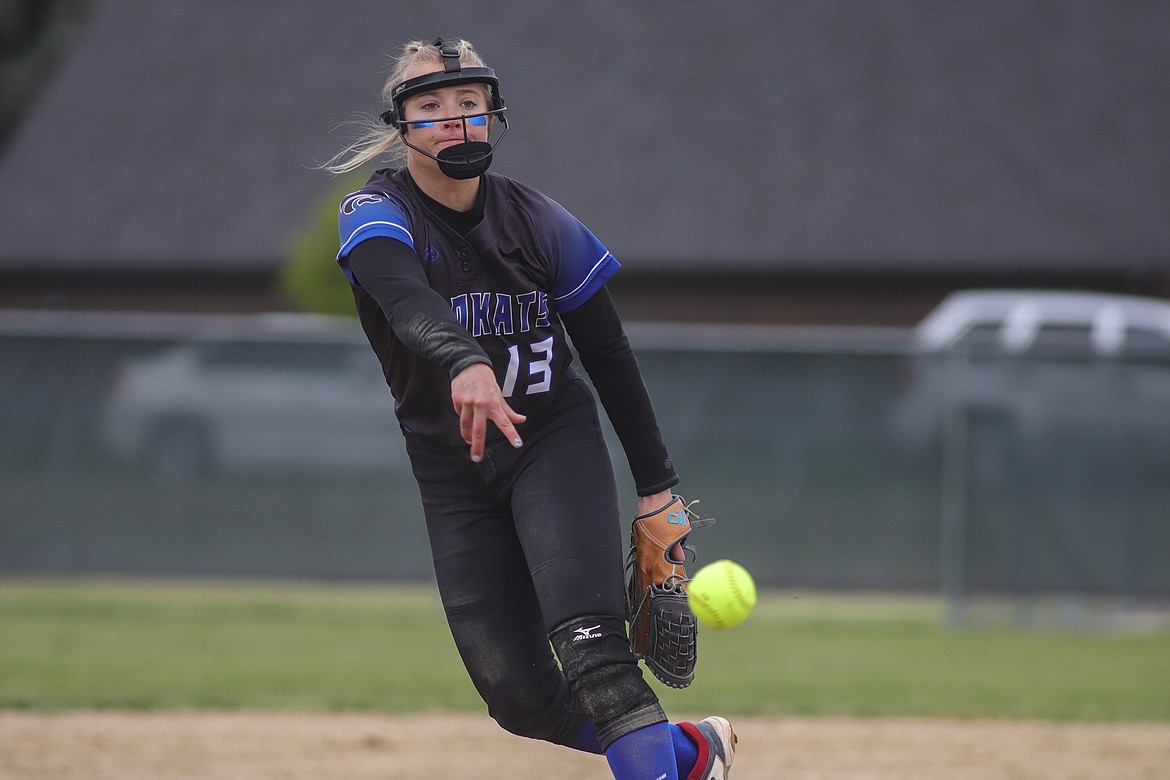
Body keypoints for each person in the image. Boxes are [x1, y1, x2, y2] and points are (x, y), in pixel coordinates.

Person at [324, 37, 737, 780]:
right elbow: (401, 291)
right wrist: (464, 359)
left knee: (594, 652)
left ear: (492, 117)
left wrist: (657, 487)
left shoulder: (538, 220)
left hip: (553, 442)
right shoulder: (375, 211)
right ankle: (688, 753)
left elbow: (608, 355)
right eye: (431, 108)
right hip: (453, 471)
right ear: (402, 125)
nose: (453, 121)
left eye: (469, 106)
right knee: (516, 696)